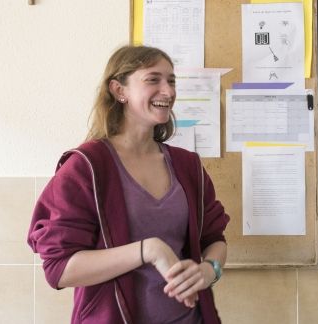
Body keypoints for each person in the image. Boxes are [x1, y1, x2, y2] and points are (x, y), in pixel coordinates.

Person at [27, 45, 230, 324]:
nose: (168, 91)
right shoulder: (86, 167)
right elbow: (60, 270)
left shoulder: (188, 166)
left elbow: (214, 240)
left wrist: (210, 270)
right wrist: (147, 250)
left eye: (171, 81)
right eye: (153, 79)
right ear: (119, 90)